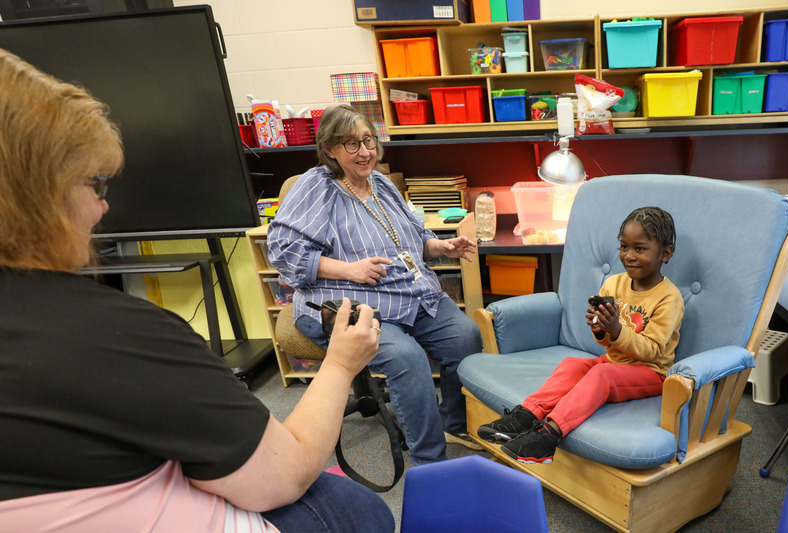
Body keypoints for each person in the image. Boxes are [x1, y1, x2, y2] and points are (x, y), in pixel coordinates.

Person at [0, 49, 394, 532]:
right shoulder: (117, 333)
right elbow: (282, 476)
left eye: (369, 142)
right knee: (359, 509)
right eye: (96, 185)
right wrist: (340, 359)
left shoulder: (384, 189)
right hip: (337, 308)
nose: (102, 209)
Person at [267, 105, 484, 465]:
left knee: (465, 337)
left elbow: (412, 239)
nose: (365, 151)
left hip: (407, 292)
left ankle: (453, 424)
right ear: (331, 149)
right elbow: (282, 252)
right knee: (407, 359)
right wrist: (349, 270)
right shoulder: (317, 186)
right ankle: (430, 459)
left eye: (368, 140)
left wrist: (440, 247)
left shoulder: (381, 183)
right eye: (351, 144)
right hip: (342, 301)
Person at [478, 206, 684, 464]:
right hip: (615, 363)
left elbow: (652, 350)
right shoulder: (614, 284)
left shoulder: (669, 297)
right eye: (624, 247)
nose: (629, 256)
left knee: (601, 373)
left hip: (651, 372)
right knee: (571, 365)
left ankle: (548, 435)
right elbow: (609, 343)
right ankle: (526, 415)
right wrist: (601, 331)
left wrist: (617, 330)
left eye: (640, 249)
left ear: (666, 253)